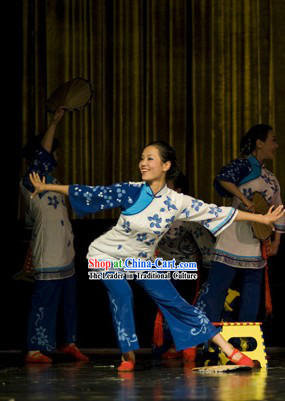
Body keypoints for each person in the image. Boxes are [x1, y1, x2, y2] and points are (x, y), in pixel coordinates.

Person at [28, 140, 284, 371]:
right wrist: (47, 186)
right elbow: (93, 192)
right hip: (104, 255)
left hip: (140, 259)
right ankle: (128, 357)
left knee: (173, 301)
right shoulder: (132, 190)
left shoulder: (178, 202)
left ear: (166, 165)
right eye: (142, 157)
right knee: (122, 294)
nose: (143, 162)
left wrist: (260, 217)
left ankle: (229, 350)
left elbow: (218, 212)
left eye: (150, 158)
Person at [196, 124, 285, 324]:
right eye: (274, 140)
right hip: (233, 236)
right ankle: (211, 341)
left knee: (252, 294)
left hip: (256, 240)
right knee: (217, 290)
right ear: (259, 143)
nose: (276, 145)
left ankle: (246, 342)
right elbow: (223, 178)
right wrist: (244, 201)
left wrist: (277, 241)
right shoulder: (243, 166)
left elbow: (279, 210)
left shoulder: (272, 179)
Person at [21, 109, 88, 363]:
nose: (54, 157)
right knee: (45, 298)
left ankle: (68, 342)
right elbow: (43, 156)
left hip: (65, 250)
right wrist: (53, 123)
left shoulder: (53, 182)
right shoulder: (30, 181)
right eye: (52, 153)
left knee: (69, 299)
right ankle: (35, 348)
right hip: (48, 251)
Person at [152, 172, 215, 361]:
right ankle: (165, 344)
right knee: (164, 308)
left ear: (177, 190)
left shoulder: (190, 214)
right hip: (160, 268)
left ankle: (181, 345)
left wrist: (211, 273)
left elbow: (206, 246)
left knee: (181, 306)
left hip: (184, 269)